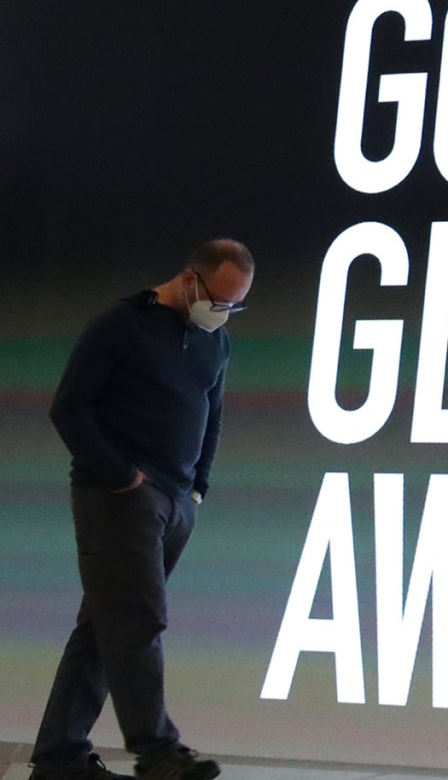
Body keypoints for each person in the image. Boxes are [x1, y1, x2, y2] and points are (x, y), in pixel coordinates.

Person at [28, 240, 251, 780]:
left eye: (232, 307)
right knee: (136, 621)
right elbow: (69, 407)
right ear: (189, 279)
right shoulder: (119, 326)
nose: (219, 314)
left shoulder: (212, 341)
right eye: (216, 300)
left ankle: (60, 758)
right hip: (118, 499)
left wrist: (197, 488)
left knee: (104, 626)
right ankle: (158, 753)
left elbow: (211, 415)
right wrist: (121, 476)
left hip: (176, 504)